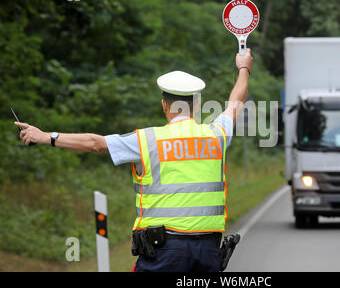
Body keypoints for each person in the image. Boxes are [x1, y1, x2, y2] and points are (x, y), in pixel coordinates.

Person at [14, 49, 253, 272]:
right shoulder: (216, 135)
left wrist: (46, 136)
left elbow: (94, 143)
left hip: (164, 252)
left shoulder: (146, 140)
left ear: (164, 105)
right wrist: (244, 68)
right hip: (207, 252)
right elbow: (235, 103)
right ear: (198, 104)